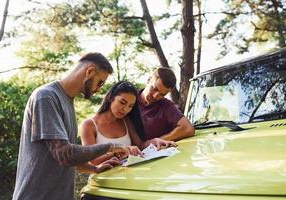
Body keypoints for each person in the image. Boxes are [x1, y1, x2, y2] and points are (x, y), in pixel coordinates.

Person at [12, 53, 130, 200]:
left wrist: (94, 169)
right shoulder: (46, 97)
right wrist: (111, 146)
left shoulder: (68, 102)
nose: (99, 89)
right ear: (90, 72)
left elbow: (70, 156)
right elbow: (64, 155)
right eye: (100, 82)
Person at [80, 81, 176, 165]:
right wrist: (118, 152)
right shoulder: (89, 125)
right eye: (122, 102)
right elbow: (92, 161)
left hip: (127, 176)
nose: (125, 109)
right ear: (111, 97)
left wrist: (154, 141)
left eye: (130, 106)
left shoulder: (125, 120)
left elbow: (139, 146)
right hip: (102, 180)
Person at [138, 68, 195, 141]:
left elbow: (188, 128)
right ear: (149, 79)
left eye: (162, 94)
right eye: (155, 89)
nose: (155, 96)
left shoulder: (166, 106)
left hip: (155, 151)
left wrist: (158, 141)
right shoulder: (129, 99)